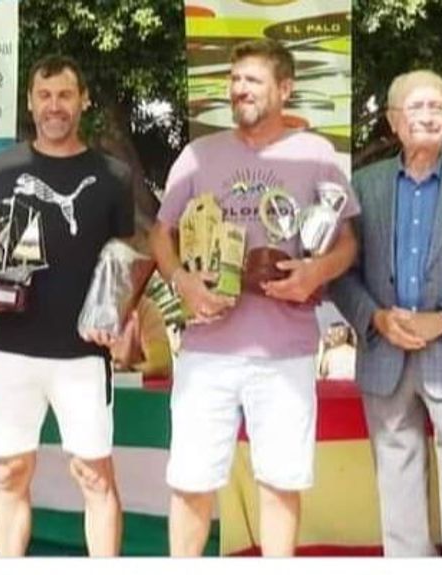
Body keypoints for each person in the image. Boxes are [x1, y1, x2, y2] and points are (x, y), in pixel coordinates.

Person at [149, 39, 359, 557]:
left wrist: (315, 272)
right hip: (206, 350)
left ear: (284, 89)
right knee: (192, 479)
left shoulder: (318, 155)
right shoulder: (199, 154)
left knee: (280, 481)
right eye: (235, 80)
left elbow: (349, 243)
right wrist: (182, 281)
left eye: (253, 81)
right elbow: (161, 233)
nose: (240, 89)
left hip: (284, 349)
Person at [328, 69, 442, 557]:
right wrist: (375, 318)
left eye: (437, 107)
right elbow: (340, 273)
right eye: (416, 107)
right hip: (383, 355)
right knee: (397, 491)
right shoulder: (363, 185)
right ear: (393, 119)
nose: (428, 116)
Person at [0, 55, 134, 557]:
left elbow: (122, 261)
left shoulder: (113, 175)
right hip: (12, 348)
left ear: (83, 100)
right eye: (44, 96)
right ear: (30, 102)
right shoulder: (1, 168)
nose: (54, 106)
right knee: (10, 473)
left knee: (95, 476)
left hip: (84, 353)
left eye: (65, 95)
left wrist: (122, 322)